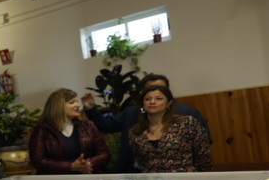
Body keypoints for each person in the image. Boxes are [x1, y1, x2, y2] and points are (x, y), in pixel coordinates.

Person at [82, 73, 210, 172]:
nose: (153, 100)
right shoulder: (132, 117)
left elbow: (203, 151)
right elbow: (105, 125)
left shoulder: (188, 116)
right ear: (142, 95)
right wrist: (91, 109)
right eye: (149, 95)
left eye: (160, 93)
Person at [129, 84, 212, 172]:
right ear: (142, 104)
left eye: (159, 98)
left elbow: (203, 157)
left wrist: (202, 179)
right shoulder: (136, 131)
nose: (152, 102)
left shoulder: (186, 123)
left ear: (169, 103)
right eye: (147, 99)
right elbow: (139, 164)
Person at [28, 88, 109, 174]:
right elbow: (38, 161)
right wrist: (70, 167)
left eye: (77, 101)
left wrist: (87, 164)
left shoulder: (88, 126)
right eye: (72, 102)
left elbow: (104, 154)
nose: (77, 105)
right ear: (58, 106)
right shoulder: (42, 130)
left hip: (87, 177)